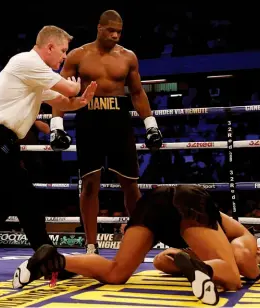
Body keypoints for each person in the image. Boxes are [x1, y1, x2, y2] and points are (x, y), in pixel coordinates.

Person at [12, 185, 260, 305]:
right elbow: (243, 266)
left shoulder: (208, 242)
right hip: (188, 202)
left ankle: (54, 260)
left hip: (154, 203)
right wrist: (258, 270)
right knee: (231, 278)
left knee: (116, 273)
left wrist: (188, 264)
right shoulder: (244, 239)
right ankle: (205, 269)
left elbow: (161, 260)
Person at [0, 25, 97, 273]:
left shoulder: (34, 76)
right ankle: (49, 260)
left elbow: (62, 101)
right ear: (50, 47)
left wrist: (82, 101)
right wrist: (75, 88)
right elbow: (68, 89)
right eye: (63, 51)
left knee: (3, 204)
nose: (65, 57)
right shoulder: (27, 62)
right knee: (26, 200)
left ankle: (47, 259)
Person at [50, 10, 163, 255]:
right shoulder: (78, 55)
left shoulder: (128, 57)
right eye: (110, 30)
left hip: (119, 122)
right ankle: (91, 245)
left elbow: (136, 93)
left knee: (131, 185)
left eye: (119, 31)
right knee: (89, 184)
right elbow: (61, 91)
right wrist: (56, 126)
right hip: (89, 122)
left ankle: (139, 239)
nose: (115, 35)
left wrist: (151, 125)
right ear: (99, 28)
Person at [153, 211, 260, 283]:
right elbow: (241, 258)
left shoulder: (212, 250)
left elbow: (163, 259)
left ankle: (203, 269)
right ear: (259, 250)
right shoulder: (246, 238)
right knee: (233, 281)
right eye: (259, 262)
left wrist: (195, 265)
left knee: (160, 261)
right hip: (192, 209)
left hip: (168, 216)